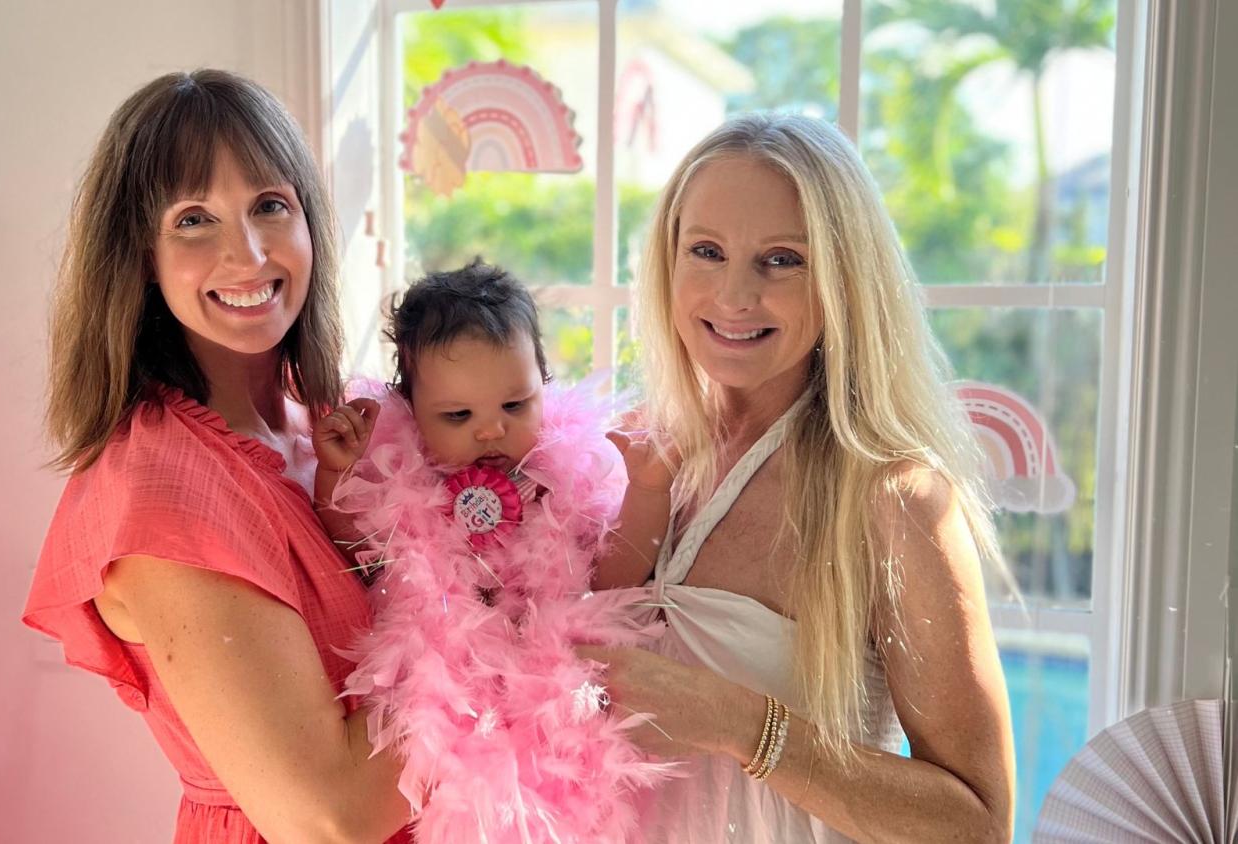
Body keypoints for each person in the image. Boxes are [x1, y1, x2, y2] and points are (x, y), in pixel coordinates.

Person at [588, 113, 1016, 843]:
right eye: (706, 251)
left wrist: (739, 724)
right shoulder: (624, 459)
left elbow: (976, 824)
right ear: (666, 261)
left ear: (846, 279)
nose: (733, 296)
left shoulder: (891, 497)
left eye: (782, 259)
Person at [23, 69, 410, 843]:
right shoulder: (163, 490)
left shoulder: (333, 425)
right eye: (195, 219)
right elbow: (327, 816)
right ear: (140, 254)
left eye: (270, 205)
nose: (249, 253)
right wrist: (505, 648)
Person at [312, 260, 677, 842]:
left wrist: (648, 491)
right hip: (449, 727)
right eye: (457, 415)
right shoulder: (405, 486)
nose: (490, 431)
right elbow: (351, 545)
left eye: (515, 406)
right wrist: (335, 474)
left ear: (545, 383)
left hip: (553, 723)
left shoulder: (562, 485)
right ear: (409, 408)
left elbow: (615, 578)